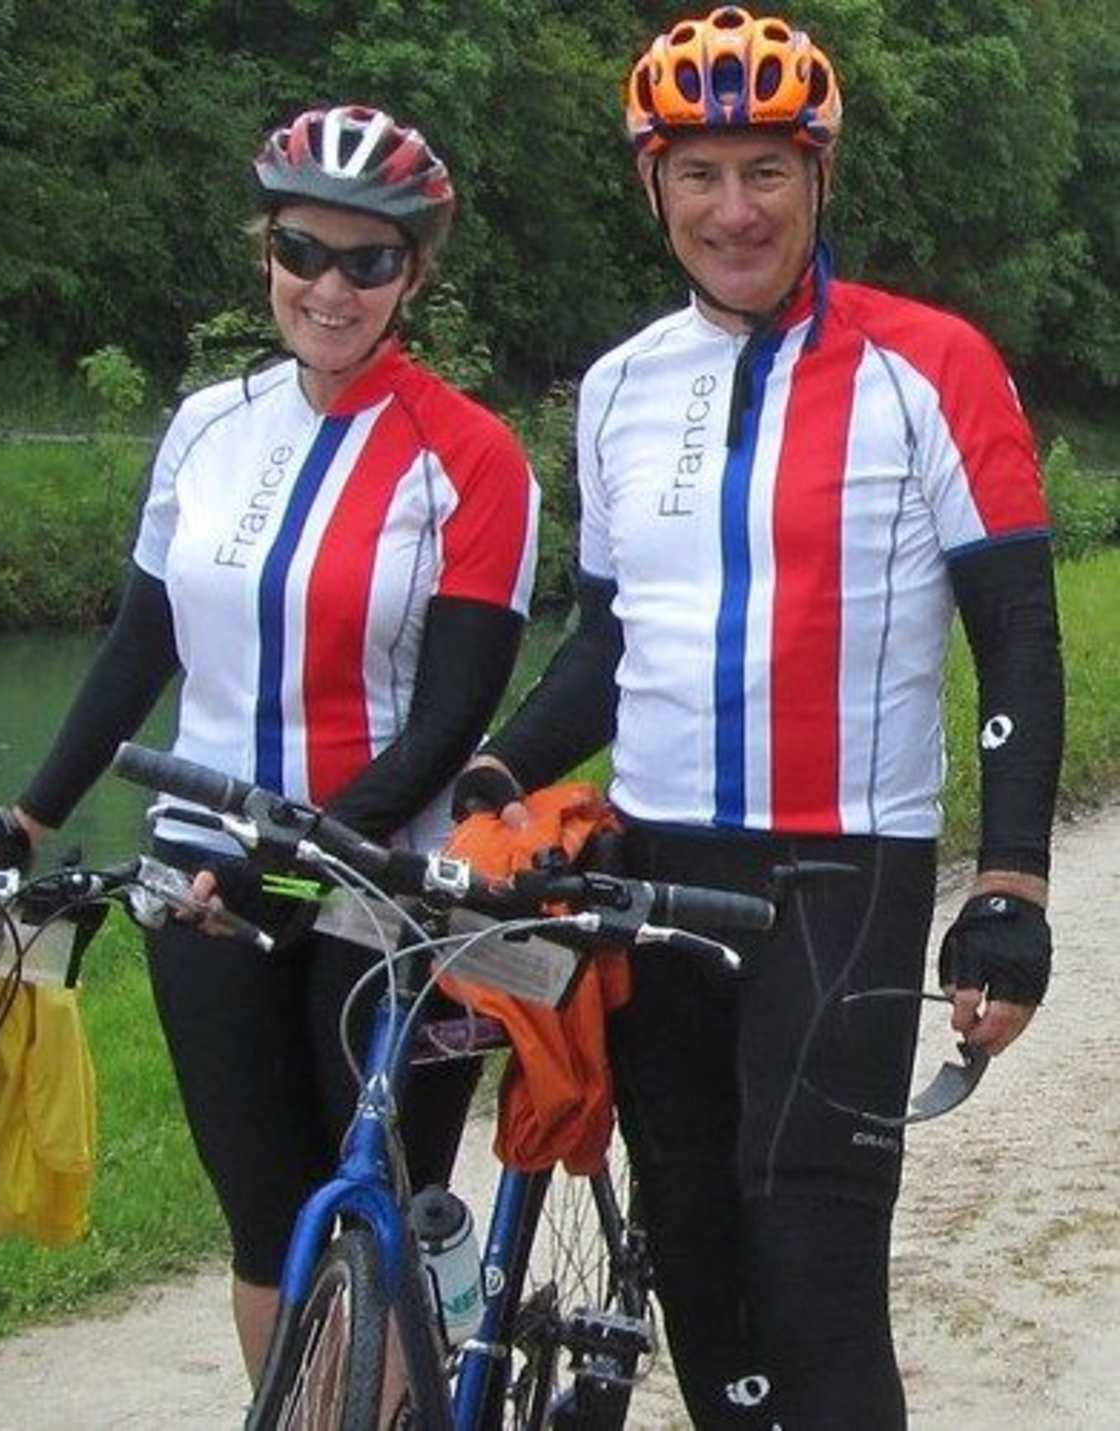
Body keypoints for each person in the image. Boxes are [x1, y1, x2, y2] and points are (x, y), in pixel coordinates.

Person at [452, 8, 1064, 1427]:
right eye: (701, 173)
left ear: (820, 177)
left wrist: (1012, 884)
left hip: (840, 871)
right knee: (702, 1269)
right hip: (654, 867)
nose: (735, 209)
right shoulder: (614, 388)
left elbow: (1018, 637)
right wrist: (500, 765)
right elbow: (606, 643)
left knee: (812, 1266)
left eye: (769, 170)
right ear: (651, 186)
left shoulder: (934, 368)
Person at [0, 103, 539, 1384]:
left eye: (368, 262)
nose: (329, 286)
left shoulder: (472, 459)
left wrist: (309, 854)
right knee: (265, 1221)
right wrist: (27, 817)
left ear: (411, 274)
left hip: (386, 884)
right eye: (302, 251)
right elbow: (140, 650)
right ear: (266, 250)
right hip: (199, 878)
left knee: (377, 1210)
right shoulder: (207, 426)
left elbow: (447, 719)